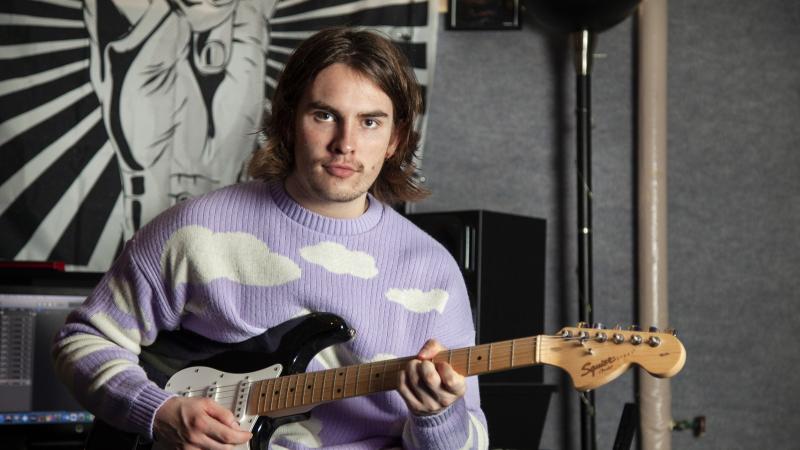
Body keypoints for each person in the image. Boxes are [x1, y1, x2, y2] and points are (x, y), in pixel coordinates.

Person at [53, 27, 488, 449]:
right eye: (324, 115)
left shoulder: (432, 269)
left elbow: (471, 441)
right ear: (287, 121)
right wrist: (158, 411)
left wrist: (437, 416)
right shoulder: (195, 228)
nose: (345, 143)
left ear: (395, 139)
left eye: (370, 122)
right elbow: (85, 340)